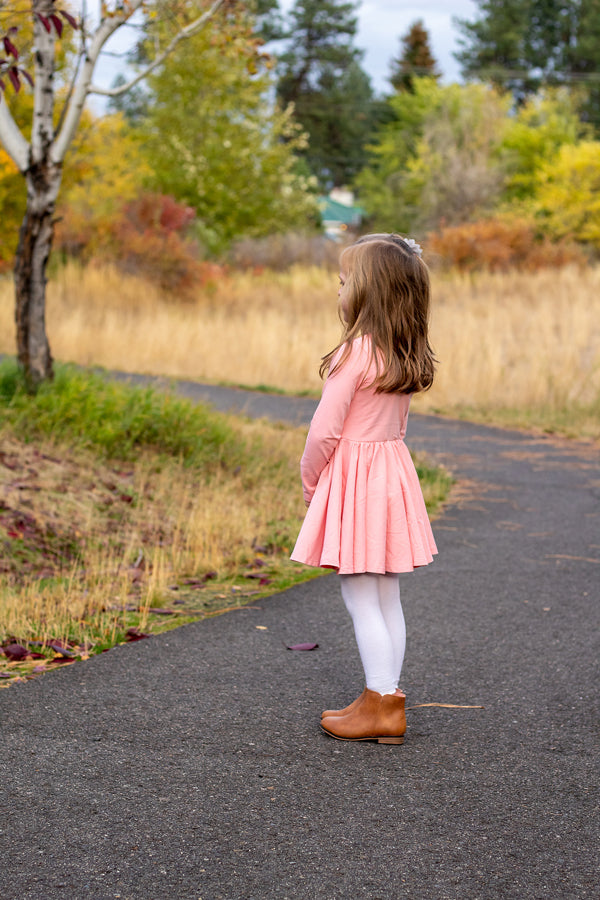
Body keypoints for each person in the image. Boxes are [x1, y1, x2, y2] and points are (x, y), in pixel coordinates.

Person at [290, 233, 438, 744]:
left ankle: (381, 703)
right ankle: (385, 696)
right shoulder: (404, 352)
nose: (339, 289)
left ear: (368, 292)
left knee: (359, 596)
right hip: (390, 472)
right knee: (386, 596)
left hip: (355, 480)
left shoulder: (354, 353)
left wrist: (312, 484)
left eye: (345, 280)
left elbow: (323, 432)